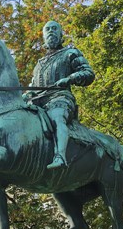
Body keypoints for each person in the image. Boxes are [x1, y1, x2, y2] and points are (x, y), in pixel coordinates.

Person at [24, 20, 95, 169]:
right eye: (47, 29)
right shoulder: (39, 64)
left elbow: (88, 73)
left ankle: (60, 156)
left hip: (60, 98)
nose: (51, 31)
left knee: (57, 118)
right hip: (37, 102)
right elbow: (33, 85)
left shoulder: (70, 53)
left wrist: (69, 78)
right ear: (43, 36)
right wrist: (26, 94)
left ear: (61, 33)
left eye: (54, 28)